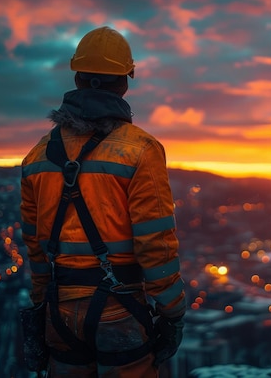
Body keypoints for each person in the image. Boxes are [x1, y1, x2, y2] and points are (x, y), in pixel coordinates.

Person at [20, 26, 186, 377]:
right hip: (119, 307)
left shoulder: (36, 157)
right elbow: (155, 243)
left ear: (78, 78)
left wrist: (39, 305)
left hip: (58, 309)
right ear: (125, 83)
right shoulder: (141, 150)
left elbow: (35, 247)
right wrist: (172, 311)